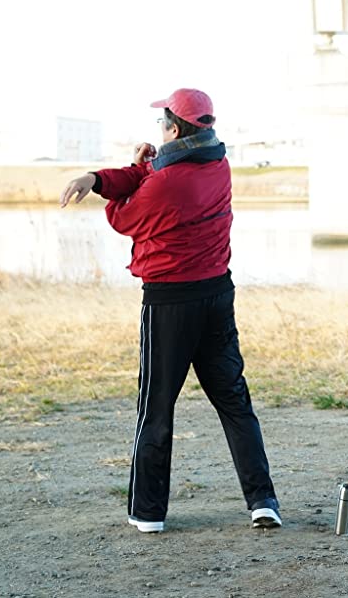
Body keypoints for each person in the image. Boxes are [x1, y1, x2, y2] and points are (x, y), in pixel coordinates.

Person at [59, 88, 280, 534]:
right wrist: (97, 177)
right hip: (217, 295)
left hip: (170, 303)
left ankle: (148, 513)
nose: (159, 129)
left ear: (175, 129)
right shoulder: (217, 164)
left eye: (162, 123)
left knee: (156, 406)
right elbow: (150, 174)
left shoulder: (166, 181)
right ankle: (263, 502)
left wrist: (122, 179)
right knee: (234, 402)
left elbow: (124, 218)